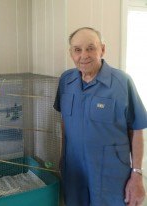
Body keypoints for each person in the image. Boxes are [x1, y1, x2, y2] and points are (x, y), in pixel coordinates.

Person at [54, 27, 147, 205]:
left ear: (102, 49)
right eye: (77, 49)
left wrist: (136, 174)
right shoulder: (66, 81)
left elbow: (136, 129)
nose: (84, 55)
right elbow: (65, 123)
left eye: (91, 48)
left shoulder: (122, 83)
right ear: (71, 53)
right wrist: (63, 156)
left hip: (110, 175)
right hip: (74, 171)